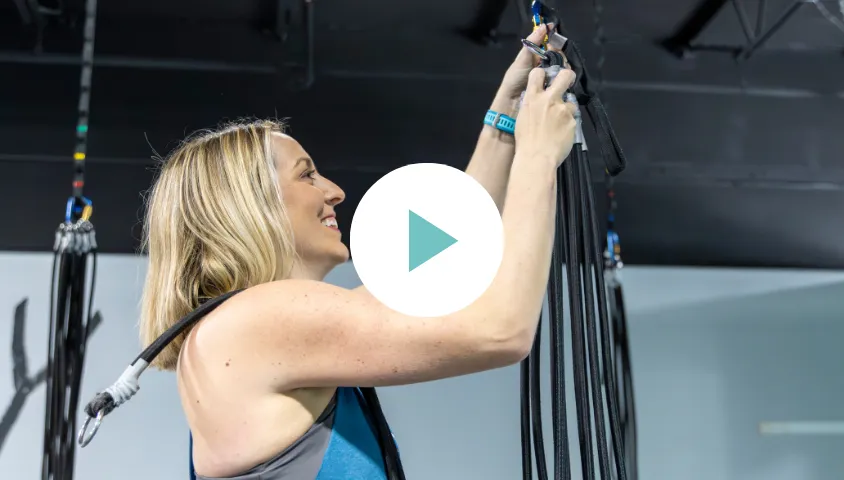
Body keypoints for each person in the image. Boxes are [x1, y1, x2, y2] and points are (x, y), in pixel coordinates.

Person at [138, 24, 577, 480]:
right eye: (307, 176)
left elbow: (439, 260)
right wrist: (538, 155)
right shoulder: (255, 321)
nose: (336, 191)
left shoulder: (251, 327)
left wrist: (504, 119)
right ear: (250, 204)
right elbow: (501, 331)